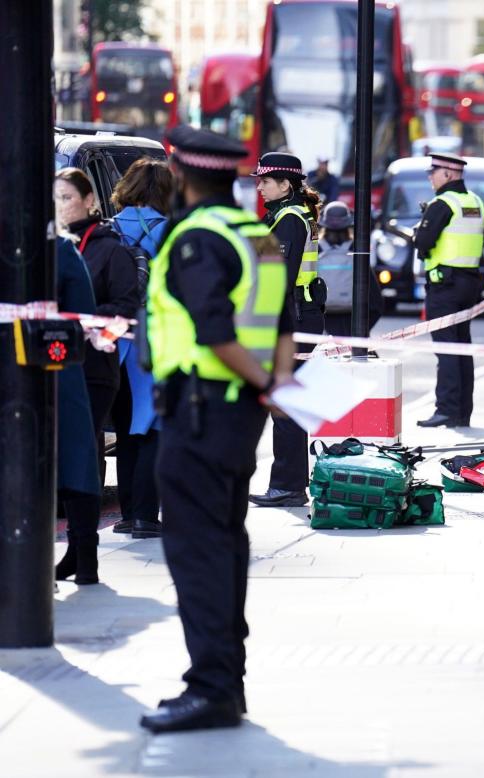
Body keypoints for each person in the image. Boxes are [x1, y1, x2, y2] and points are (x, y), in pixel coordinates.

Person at [138, 126, 295, 734]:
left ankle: (211, 689)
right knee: (226, 544)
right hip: (238, 417)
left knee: (197, 551)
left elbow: (214, 331)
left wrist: (262, 381)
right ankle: (228, 680)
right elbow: (283, 320)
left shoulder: (196, 239)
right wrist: (276, 385)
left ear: (181, 175)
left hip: (201, 411)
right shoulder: (258, 235)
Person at [54, 168, 142, 503]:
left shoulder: (109, 250)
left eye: (66, 198)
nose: (59, 206)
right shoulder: (50, 247)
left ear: (89, 200)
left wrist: (82, 318)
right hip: (52, 360)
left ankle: (83, 548)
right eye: (54, 199)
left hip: (93, 366)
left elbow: (126, 306)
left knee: (81, 450)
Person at [248, 152, 324, 508]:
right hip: (298, 317)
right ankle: (289, 482)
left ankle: (288, 485)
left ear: (286, 184)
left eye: (265, 181)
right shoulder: (285, 216)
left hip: (292, 320)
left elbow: (278, 278)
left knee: (286, 404)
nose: (260, 186)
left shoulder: (290, 219)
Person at [110, 157, 175, 538]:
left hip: (114, 339)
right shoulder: (170, 232)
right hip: (156, 340)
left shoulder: (111, 229)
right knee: (152, 426)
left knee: (124, 428)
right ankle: (147, 517)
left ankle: (128, 512)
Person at [413, 153, 484, 428]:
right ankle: (462, 412)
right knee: (461, 347)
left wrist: (420, 230)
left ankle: (445, 409)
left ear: (448, 174)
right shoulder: (476, 203)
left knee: (445, 349)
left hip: (444, 285)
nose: (430, 177)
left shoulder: (442, 203)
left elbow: (422, 243)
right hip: (469, 283)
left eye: (434, 172)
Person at [53, 236, 103, 585]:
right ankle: (85, 556)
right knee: (73, 458)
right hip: (56, 363)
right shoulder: (58, 248)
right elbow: (84, 312)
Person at [316, 200, 383, 337]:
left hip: (323, 323)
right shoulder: (357, 251)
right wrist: (362, 329)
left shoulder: (316, 249)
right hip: (352, 321)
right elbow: (376, 303)